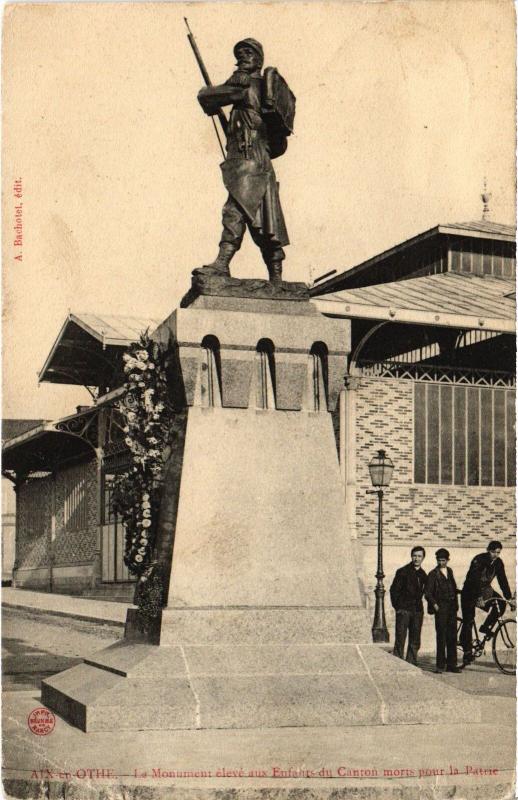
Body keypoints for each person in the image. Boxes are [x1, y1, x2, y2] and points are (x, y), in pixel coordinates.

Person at [195, 39, 294, 284]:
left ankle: (222, 263)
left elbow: (206, 96)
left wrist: (214, 96)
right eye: (238, 54)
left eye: (247, 53)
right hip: (253, 160)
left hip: (249, 159)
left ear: (258, 59)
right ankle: (276, 277)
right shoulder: (248, 85)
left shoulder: (245, 84)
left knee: (235, 210)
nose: (241, 58)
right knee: (264, 219)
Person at [460, 540, 513, 667]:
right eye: (493, 552)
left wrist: (509, 598)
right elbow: (474, 579)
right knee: (468, 620)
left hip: (485, 590)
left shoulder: (499, 563)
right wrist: (478, 596)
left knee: (500, 604)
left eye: (498, 552)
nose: (495, 555)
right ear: (488, 550)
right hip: (470, 591)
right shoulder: (479, 559)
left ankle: (485, 627)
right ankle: (467, 651)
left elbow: (503, 580)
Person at [390, 546, 427, 665]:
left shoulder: (423, 574)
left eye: (419, 556)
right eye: (414, 556)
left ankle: (411, 663)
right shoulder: (403, 571)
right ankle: (397, 663)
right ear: (411, 556)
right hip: (404, 610)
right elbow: (394, 591)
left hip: (417, 611)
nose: (416, 559)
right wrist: (399, 607)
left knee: (415, 639)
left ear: (423, 558)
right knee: (400, 638)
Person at [425, 549, 461, 673]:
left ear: (448, 560)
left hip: (451, 608)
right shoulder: (432, 574)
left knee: (452, 636)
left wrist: (456, 604)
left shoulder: (450, 571)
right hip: (441, 608)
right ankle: (440, 666)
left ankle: (452, 665)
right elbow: (428, 593)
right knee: (441, 636)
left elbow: (454, 587)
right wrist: (435, 605)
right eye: (439, 560)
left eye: (443, 560)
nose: (441, 563)